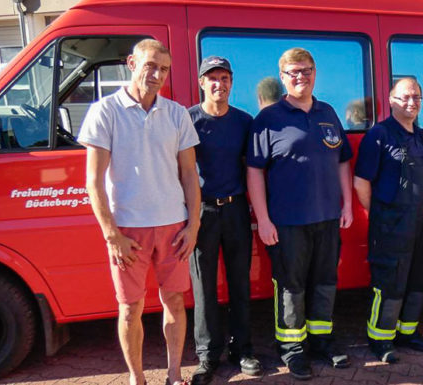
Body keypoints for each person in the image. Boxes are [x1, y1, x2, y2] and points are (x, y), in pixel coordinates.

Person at [79, 39, 200, 385]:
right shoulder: (105, 111)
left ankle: (175, 375)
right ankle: (137, 378)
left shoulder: (176, 114)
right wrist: (111, 234)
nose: (157, 74)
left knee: (174, 301)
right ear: (132, 63)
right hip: (128, 230)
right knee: (130, 308)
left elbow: (190, 175)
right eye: (150, 65)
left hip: (173, 226)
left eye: (163, 69)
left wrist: (193, 225)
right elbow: (94, 181)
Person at [246, 47, 353, 380]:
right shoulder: (269, 118)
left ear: (314, 73)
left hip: (326, 217)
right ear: (283, 77)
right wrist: (263, 219)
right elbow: (253, 171)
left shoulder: (328, 112)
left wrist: (347, 203)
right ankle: (293, 349)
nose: (300, 77)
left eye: (306, 70)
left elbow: (342, 160)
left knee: (325, 281)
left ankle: (322, 341)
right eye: (293, 72)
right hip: (287, 221)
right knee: (290, 286)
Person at [187, 56, 262, 385]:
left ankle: (242, 348)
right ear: (202, 82)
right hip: (201, 212)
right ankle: (207, 355)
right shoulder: (188, 119)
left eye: (225, 78)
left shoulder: (244, 122)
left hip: (235, 211)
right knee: (203, 287)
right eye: (212, 78)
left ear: (232, 83)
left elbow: (253, 169)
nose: (219, 84)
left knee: (239, 283)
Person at [354, 78, 423, 363]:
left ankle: (407, 333)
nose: (411, 102)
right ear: (390, 100)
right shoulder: (379, 135)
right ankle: (381, 339)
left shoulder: (419, 135)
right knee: (390, 283)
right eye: (405, 97)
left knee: (417, 280)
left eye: (416, 97)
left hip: (421, 225)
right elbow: (361, 181)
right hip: (391, 226)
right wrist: (379, 214)